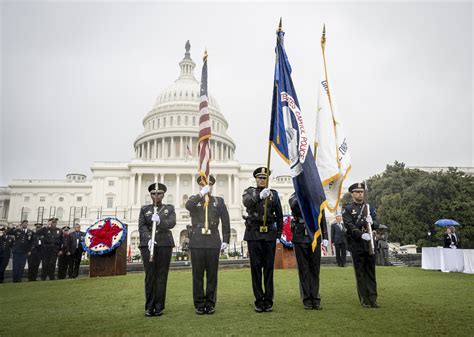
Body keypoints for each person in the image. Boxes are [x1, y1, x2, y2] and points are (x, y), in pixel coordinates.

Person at [185, 175, 230, 315]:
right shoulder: (194, 199)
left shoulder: (218, 201)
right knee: (197, 275)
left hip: (213, 241)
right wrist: (201, 194)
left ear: (212, 186)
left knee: (212, 275)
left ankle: (210, 303)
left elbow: (225, 222)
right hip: (197, 241)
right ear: (200, 186)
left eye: (209, 185)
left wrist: (226, 240)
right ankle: (199, 304)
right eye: (203, 184)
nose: (206, 187)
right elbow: (188, 206)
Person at [242, 166, 283, 313]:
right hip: (254, 233)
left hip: (269, 234)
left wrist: (279, 235)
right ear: (255, 179)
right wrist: (259, 197)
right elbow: (247, 203)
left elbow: (279, 215)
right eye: (260, 177)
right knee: (256, 269)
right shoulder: (249, 191)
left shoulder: (274, 194)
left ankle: (269, 299)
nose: (262, 180)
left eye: (264, 178)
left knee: (269, 268)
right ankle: (259, 300)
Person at [139, 182, 176, 317]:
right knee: (150, 276)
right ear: (150, 195)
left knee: (161, 275)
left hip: (164, 243)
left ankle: (159, 306)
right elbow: (142, 226)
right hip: (148, 245)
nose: (156, 196)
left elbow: (172, 222)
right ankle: (149, 306)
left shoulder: (169, 208)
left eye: (159, 193)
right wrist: (149, 238)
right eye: (153, 193)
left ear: (163, 195)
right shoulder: (144, 209)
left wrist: (160, 221)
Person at [342, 182, 380, 308]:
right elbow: (349, 224)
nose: (360, 194)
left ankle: (373, 298)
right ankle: (364, 299)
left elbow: (377, 223)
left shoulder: (370, 208)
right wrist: (360, 234)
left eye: (362, 192)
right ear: (352, 194)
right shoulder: (347, 209)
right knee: (360, 272)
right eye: (357, 192)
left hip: (369, 244)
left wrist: (372, 222)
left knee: (371, 271)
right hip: (357, 243)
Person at [289, 193, 328, 310]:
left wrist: (325, 236)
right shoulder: (294, 196)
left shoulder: (316, 196)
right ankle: (306, 299)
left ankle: (315, 298)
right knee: (304, 269)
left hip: (314, 234)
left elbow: (322, 217)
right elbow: (294, 205)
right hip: (300, 235)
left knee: (315, 269)